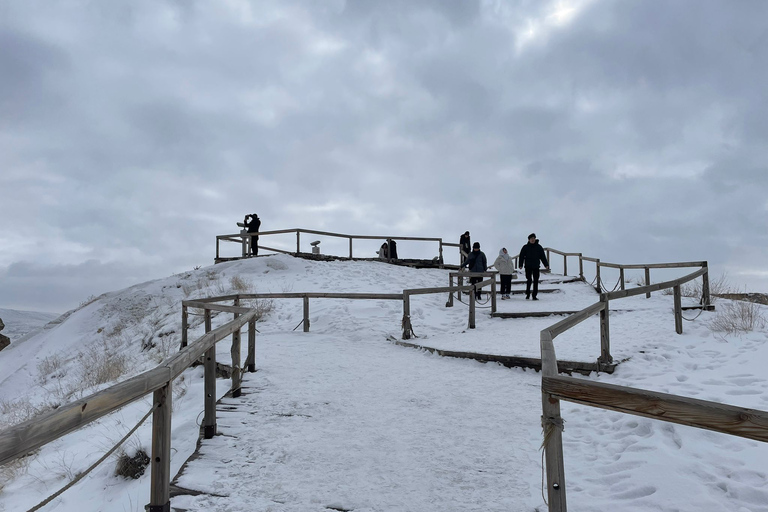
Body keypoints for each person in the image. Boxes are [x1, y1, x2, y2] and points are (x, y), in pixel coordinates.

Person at [518, 233, 549, 300]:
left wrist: (546, 264)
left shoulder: (539, 247)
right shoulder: (525, 247)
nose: (532, 240)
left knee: (536, 280)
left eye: (533, 238)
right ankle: (528, 293)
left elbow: (543, 256)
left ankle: (534, 295)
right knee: (529, 279)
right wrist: (520, 264)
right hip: (528, 266)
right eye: (531, 238)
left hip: (536, 266)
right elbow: (521, 256)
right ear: (529, 240)